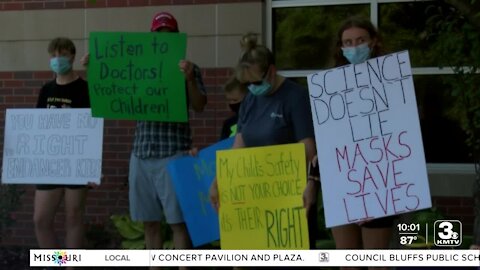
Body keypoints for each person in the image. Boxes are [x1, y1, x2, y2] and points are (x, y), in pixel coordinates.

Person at [209, 33, 318, 248]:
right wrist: (218, 181)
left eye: (256, 82)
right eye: (247, 84)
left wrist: (312, 184)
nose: (252, 87)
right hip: (255, 201)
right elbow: (238, 146)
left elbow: (308, 149)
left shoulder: (296, 97)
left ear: (272, 71)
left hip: (289, 199)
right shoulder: (250, 100)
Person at [129, 11, 207, 258]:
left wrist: (188, 81)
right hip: (141, 152)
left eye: (169, 35)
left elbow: (200, 105)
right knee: (149, 222)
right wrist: (96, 69)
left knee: (177, 222)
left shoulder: (189, 69)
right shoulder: (138, 67)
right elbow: (114, 95)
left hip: (173, 153)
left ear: (177, 37)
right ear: (151, 37)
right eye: (159, 35)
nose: (164, 39)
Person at [330, 16, 394, 267]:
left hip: (380, 182)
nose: (354, 47)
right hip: (343, 183)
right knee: (347, 263)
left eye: (360, 40)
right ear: (340, 47)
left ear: (374, 42)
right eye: (347, 42)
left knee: (377, 263)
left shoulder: (392, 80)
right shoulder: (331, 86)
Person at [34, 37, 91, 251]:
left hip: (77, 162)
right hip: (50, 162)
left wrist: (92, 166)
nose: (58, 59)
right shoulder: (46, 90)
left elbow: (92, 128)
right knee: (41, 219)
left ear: (73, 57)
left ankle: (72, 266)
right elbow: (36, 127)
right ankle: (56, 263)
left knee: (74, 217)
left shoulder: (85, 89)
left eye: (63, 54)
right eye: (54, 55)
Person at [219, 75, 248, 140]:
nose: (231, 103)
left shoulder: (257, 121)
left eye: (235, 100)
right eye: (229, 100)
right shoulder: (228, 123)